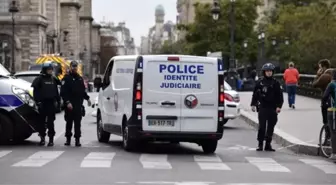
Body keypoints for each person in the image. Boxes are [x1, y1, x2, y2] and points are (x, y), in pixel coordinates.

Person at [250, 63, 284, 151]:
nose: (269, 73)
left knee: (271, 126)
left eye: (270, 71)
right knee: (262, 126)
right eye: (267, 71)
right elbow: (255, 94)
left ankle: (268, 144)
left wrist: (279, 106)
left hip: (272, 107)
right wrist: (253, 104)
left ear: (273, 72)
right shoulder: (260, 82)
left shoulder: (276, 83)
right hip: (263, 107)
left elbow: (280, 96)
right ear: (264, 72)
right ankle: (260, 144)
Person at [61, 61, 91, 147]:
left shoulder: (80, 78)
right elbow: (63, 92)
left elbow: (82, 91)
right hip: (69, 105)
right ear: (70, 67)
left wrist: (88, 99)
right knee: (69, 123)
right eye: (73, 66)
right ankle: (68, 139)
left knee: (78, 123)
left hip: (78, 105)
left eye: (76, 67)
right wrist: (67, 102)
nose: (74, 68)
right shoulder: (66, 78)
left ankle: (77, 140)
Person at [31, 62, 61, 146]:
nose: (50, 71)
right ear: (44, 70)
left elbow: (56, 91)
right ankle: (42, 138)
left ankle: (51, 139)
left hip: (51, 103)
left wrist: (58, 102)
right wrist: (38, 102)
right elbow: (35, 92)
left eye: (51, 69)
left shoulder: (53, 79)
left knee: (51, 123)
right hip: (42, 104)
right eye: (49, 69)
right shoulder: (39, 79)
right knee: (41, 122)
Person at [313, 59, 333, 145]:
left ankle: (328, 139)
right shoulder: (333, 74)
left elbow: (314, 84)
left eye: (320, 67)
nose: (319, 69)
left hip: (327, 102)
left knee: (326, 121)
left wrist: (318, 75)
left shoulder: (325, 76)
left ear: (324, 67)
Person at [322, 70, 336, 161]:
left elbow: (325, 97)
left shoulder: (332, 85)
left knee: (334, 132)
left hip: (334, 111)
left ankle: (334, 153)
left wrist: (325, 105)